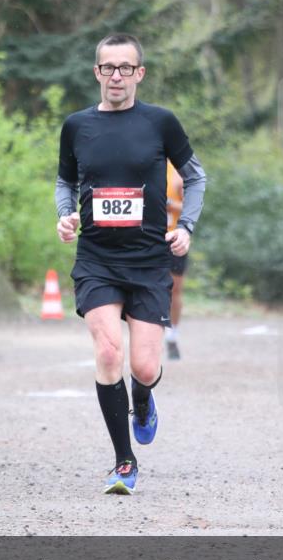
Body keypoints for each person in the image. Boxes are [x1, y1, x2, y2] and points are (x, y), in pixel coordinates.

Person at [55, 34, 206, 495]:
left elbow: (195, 176)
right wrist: (65, 214)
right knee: (107, 354)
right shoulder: (77, 126)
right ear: (96, 73)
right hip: (97, 258)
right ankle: (124, 463)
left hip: (148, 261)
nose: (116, 76)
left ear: (139, 73)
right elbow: (65, 180)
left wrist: (187, 228)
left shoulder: (160, 123)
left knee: (142, 367)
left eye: (125, 68)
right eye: (108, 68)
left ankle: (143, 401)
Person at [165, 161, 187, 360]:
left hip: (173, 238)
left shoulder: (177, 173)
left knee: (174, 289)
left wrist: (171, 205)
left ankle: (172, 335)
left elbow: (191, 205)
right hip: (147, 239)